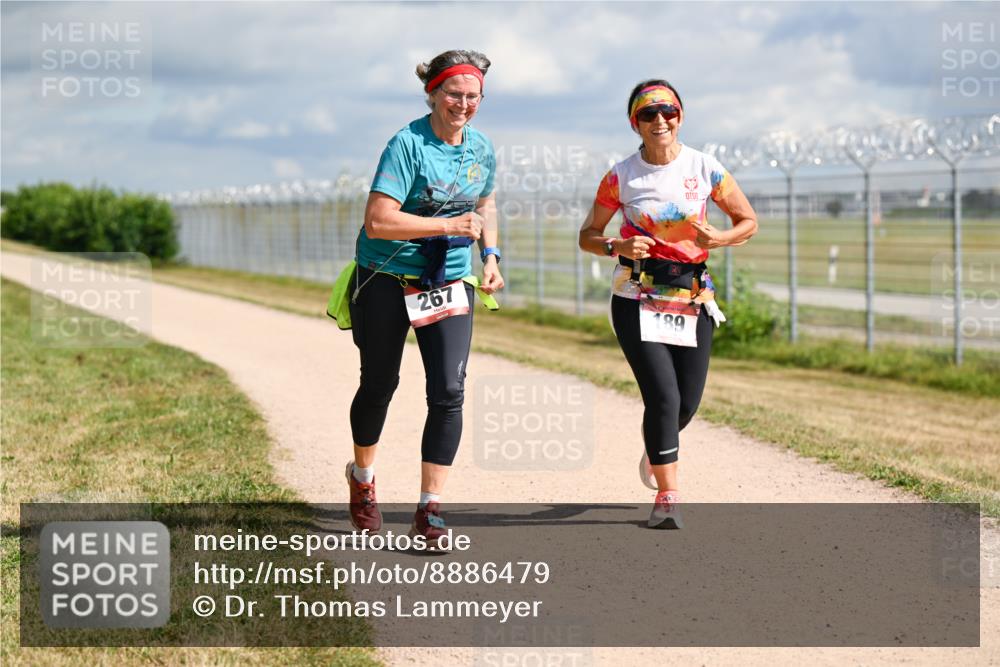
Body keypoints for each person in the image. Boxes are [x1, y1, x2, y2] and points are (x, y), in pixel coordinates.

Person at [578, 79, 757, 528]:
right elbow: (587, 235)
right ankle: (667, 496)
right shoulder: (620, 176)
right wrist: (614, 246)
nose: (660, 121)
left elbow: (748, 221)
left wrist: (721, 237)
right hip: (637, 297)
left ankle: (658, 446)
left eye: (668, 112)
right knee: (662, 395)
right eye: (648, 114)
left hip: (693, 297)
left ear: (680, 115)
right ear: (633, 122)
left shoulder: (706, 167)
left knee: (686, 404)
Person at [345, 50, 503, 548]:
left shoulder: (482, 149)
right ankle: (364, 479)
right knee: (379, 384)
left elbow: (485, 203)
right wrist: (444, 225)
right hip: (387, 278)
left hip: (449, 281)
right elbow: (379, 220)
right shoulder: (406, 145)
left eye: (472, 96)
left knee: (449, 393)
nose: (463, 104)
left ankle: (428, 510)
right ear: (432, 93)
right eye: (453, 94)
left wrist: (491, 255)